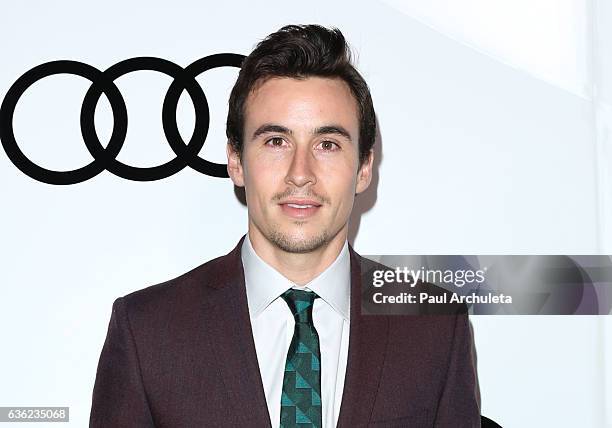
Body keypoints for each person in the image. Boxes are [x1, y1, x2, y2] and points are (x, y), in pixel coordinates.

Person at [89, 24, 480, 427]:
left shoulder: (433, 327)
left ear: (364, 168)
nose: (300, 174)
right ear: (236, 161)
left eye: (327, 144)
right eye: (276, 141)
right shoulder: (148, 329)